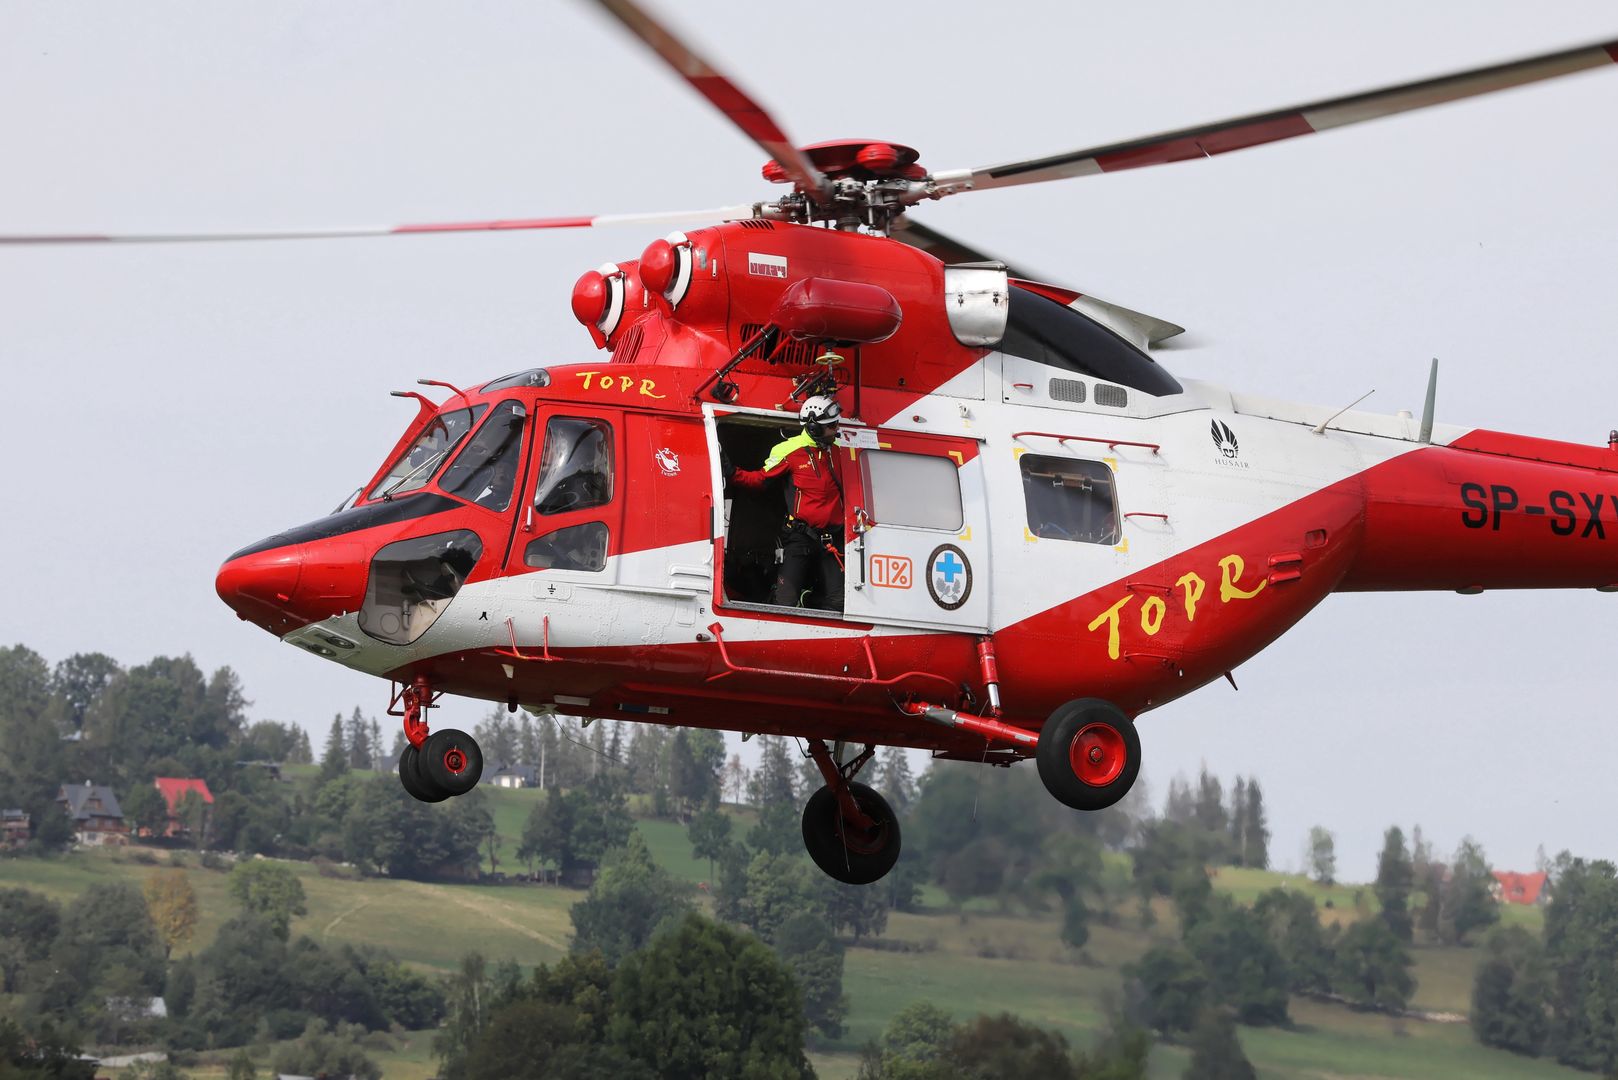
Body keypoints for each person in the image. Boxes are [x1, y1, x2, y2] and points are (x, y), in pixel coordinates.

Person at [725, 395, 847, 611]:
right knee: (785, 600)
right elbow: (760, 481)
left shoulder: (839, 452)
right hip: (799, 537)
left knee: (839, 601)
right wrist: (731, 472)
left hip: (831, 539)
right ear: (815, 428)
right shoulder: (789, 451)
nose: (836, 429)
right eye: (832, 426)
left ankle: (810, 600)